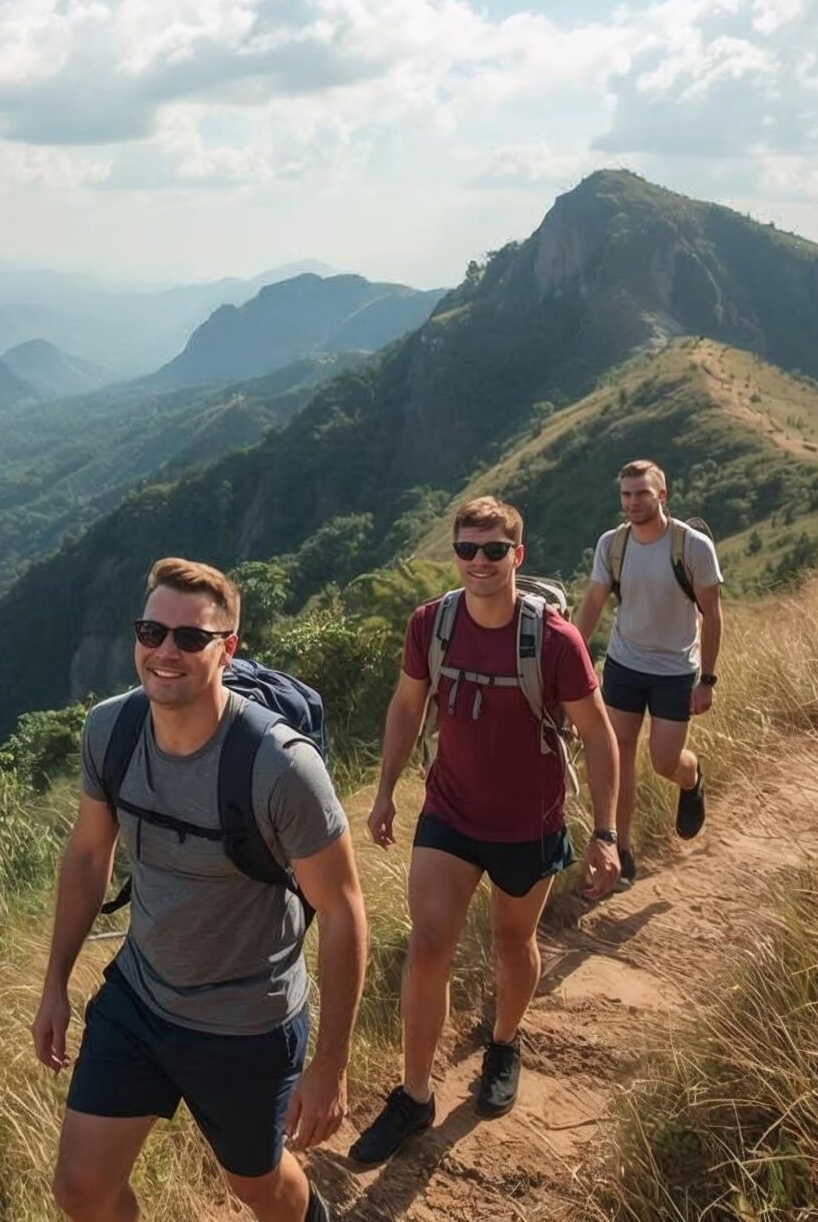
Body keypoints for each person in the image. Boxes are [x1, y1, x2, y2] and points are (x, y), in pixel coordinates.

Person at [35, 558, 366, 1222]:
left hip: (247, 1023)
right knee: (80, 1189)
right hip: (140, 999)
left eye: (191, 639)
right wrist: (55, 984)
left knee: (259, 1188)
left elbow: (344, 908)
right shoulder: (111, 730)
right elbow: (88, 853)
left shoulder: (280, 767)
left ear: (228, 649)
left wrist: (330, 1065)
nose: (165, 651)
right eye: (151, 631)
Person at [347, 497, 621, 1166]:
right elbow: (408, 704)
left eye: (493, 551)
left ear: (516, 557)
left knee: (511, 940)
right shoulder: (430, 624)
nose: (478, 562)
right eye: (466, 550)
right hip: (449, 813)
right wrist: (384, 793)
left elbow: (598, 735)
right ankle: (415, 1096)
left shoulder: (555, 641)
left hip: (529, 822)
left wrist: (607, 834)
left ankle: (503, 1042)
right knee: (430, 944)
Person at [572, 461, 719, 891]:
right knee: (618, 757)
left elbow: (712, 615)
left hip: (675, 670)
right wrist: (571, 658)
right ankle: (622, 852)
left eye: (642, 494)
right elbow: (594, 602)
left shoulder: (691, 547)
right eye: (626, 495)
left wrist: (706, 680)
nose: (633, 502)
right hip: (624, 663)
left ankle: (692, 779)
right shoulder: (612, 544)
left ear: (662, 494)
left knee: (664, 762)